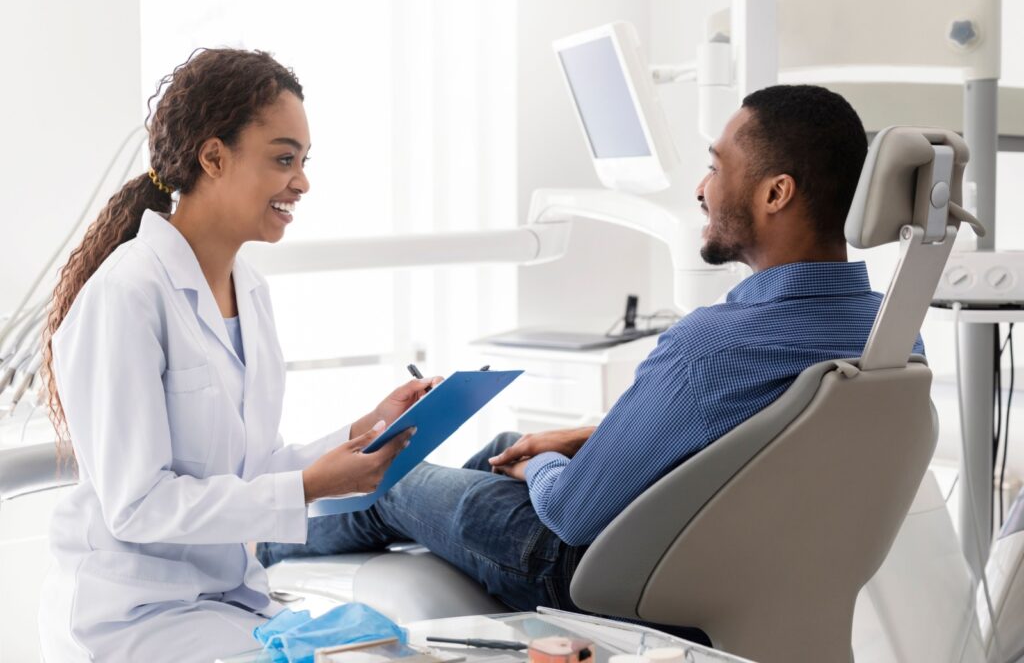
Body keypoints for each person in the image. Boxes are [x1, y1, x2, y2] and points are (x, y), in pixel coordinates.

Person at [257, 84, 925, 616]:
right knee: (510, 444)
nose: (701, 188)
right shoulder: (891, 337)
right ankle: (450, 521)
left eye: (717, 168)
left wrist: (542, 469)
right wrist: (571, 439)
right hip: (740, 560)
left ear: (776, 192)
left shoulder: (708, 345)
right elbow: (748, 441)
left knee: (392, 475)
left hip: (589, 569)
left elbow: (574, 513)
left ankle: (251, 547)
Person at [38, 48, 434, 662]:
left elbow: (249, 464)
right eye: (283, 159)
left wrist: (362, 432)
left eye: (303, 162)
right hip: (134, 615)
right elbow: (139, 506)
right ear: (214, 157)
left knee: (390, 650)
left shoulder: (249, 289)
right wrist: (304, 487)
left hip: (227, 597)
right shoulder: (127, 294)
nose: (301, 181)